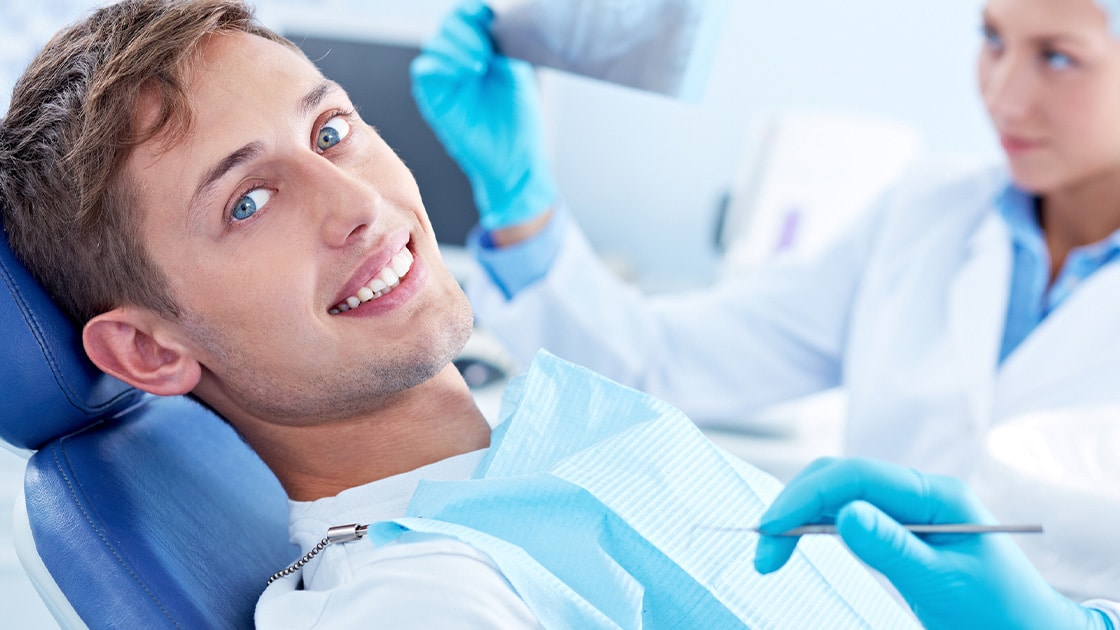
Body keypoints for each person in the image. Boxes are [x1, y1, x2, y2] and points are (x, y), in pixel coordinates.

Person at [0, 1, 941, 627]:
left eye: (332, 132)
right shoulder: (422, 598)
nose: (357, 202)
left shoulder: (535, 443)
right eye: (248, 201)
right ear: (147, 349)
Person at [412, 0, 1120, 605]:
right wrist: (522, 205)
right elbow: (659, 364)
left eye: (1058, 58)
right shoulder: (925, 213)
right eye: (993, 39)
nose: (1005, 96)